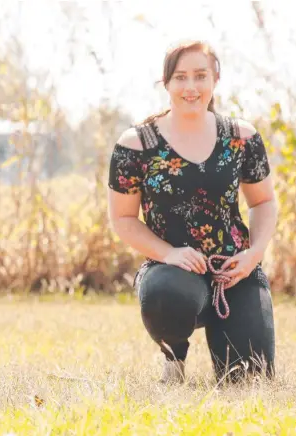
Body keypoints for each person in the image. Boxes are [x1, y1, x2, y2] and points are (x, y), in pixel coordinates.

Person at [107, 40, 278, 384]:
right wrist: (170, 253)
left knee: (248, 380)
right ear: (166, 82)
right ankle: (175, 357)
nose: (190, 87)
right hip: (170, 273)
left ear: (215, 79)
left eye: (200, 76)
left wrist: (253, 256)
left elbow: (264, 202)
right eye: (180, 77)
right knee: (165, 296)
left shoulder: (242, 137)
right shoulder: (136, 144)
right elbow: (123, 219)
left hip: (235, 272)